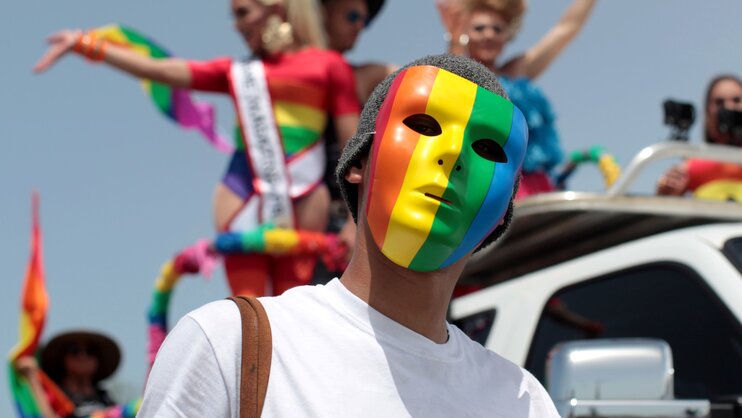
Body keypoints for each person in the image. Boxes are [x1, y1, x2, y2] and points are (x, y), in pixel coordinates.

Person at [138, 54, 560, 417]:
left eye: (487, 149)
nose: (451, 155)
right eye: (425, 125)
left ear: (502, 211)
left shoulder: (522, 401)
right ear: (358, 162)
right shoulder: (229, 344)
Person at [34, 0, 361, 296]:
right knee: (247, 311)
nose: (237, 25)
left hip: (304, 197)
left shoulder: (330, 66)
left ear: (275, 8)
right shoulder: (236, 72)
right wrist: (85, 44)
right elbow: (159, 70)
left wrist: (353, 221)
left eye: (243, 13)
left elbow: (353, 147)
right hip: (240, 193)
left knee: (293, 311)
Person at [438, 0, 597, 198]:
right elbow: (453, 93)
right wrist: (454, 42)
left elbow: (566, 29)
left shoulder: (516, 71)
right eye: (479, 28)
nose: (489, 34)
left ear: (507, 36)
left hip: (532, 188)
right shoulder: (453, 75)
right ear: (464, 33)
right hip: (482, 190)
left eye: (497, 29)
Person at [15, 331, 121, 418]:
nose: (82, 356)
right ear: (62, 358)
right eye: (74, 350)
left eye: (90, 351)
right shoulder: (53, 395)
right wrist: (32, 378)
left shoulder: (107, 398)